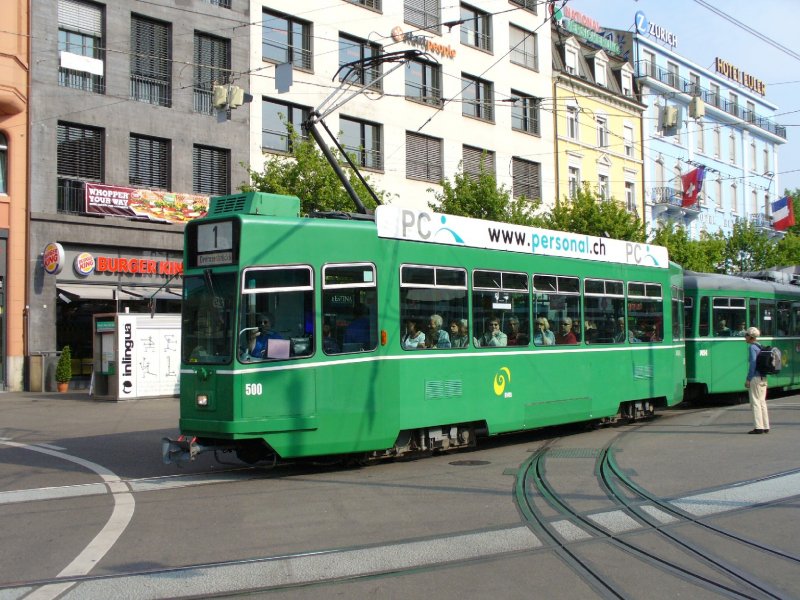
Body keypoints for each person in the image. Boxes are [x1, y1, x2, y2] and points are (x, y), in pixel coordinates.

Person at [744, 327, 770, 434]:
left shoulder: (752, 348)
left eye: (746, 335)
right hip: (763, 377)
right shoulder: (761, 346)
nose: (744, 337)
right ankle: (766, 426)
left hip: (755, 377)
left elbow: (753, 364)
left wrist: (748, 379)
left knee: (755, 402)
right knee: (762, 402)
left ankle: (758, 427)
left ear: (750, 337)